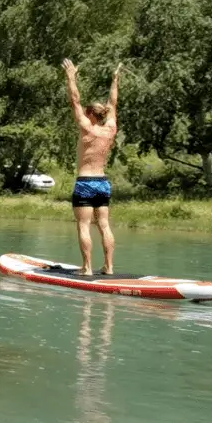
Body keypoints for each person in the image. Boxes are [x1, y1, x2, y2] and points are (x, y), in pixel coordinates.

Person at [63, 58, 121, 275]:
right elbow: (113, 104)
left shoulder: (88, 128)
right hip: (103, 183)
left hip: (86, 182)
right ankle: (109, 266)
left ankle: (87, 268)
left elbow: (74, 100)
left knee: (84, 226)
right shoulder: (110, 129)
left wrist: (71, 76)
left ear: (90, 115)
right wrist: (115, 80)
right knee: (104, 225)